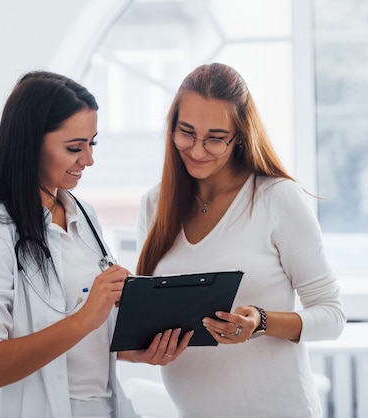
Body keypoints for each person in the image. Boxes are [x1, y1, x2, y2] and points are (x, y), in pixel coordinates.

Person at [0, 71, 186, 418]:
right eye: (74, 147)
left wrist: (137, 348)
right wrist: (85, 318)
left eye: (93, 143)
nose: (88, 159)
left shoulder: (84, 216)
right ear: (29, 144)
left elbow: (89, 339)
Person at [136, 63, 346, 417]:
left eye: (216, 138)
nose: (198, 150)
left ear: (240, 137)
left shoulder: (276, 198)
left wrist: (261, 323)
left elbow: (332, 315)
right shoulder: (155, 204)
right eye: (186, 133)